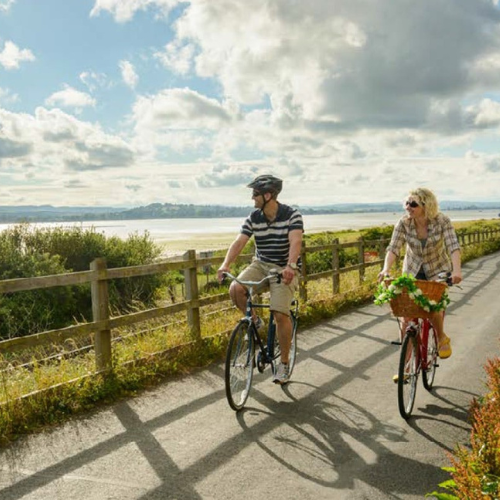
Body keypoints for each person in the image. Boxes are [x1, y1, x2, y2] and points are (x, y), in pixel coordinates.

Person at [217, 174, 304, 385]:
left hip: (284, 268)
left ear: (268, 195)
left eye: (255, 194)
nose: (252, 198)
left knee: (279, 312)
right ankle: (255, 321)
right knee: (235, 288)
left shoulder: (292, 215)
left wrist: (290, 266)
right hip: (261, 264)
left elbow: (296, 241)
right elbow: (239, 242)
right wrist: (225, 264)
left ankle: (283, 363)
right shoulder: (254, 217)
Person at [377, 187, 462, 364]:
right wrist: (386, 269)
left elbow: (453, 246)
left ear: (426, 205)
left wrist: (456, 271)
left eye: (413, 203)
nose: (408, 207)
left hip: (437, 268)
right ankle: (406, 366)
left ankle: (441, 338)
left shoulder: (442, 221)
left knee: (434, 305)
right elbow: (393, 248)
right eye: (406, 203)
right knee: (406, 317)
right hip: (412, 269)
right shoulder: (404, 223)